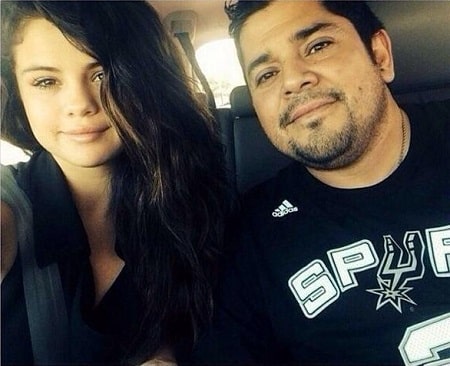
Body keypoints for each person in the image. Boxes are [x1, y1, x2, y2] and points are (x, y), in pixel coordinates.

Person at [192, 1, 450, 365]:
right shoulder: (251, 240)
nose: (293, 80)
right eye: (266, 74)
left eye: (317, 46)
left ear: (379, 55)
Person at [1, 1, 230, 365]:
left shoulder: (191, 198)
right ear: (16, 93)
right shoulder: (8, 207)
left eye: (102, 74)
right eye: (46, 81)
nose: (80, 103)